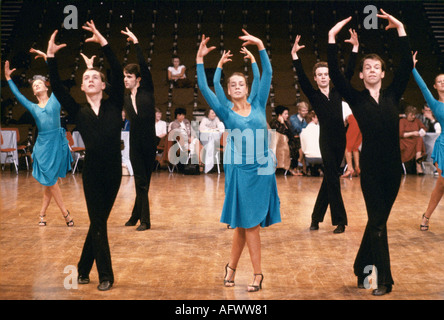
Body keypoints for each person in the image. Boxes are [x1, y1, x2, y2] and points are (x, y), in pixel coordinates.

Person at [327, 12, 413, 296]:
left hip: (394, 172)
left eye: (377, 66)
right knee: (377, 223)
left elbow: (404, 66)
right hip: (371, 171)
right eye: (368, 67)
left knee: (378, 222)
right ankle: (384, 280)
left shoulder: (392, 94)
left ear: (383, 73)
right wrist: (331, 39)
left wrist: (400, 27)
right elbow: (338, 77)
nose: (373, 69)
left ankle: (360, 266)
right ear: (362, 74)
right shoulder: (356, 98)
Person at [197, 30, 281, 292]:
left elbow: (266, 74)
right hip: (241, 172)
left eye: (240, 84)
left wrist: (261, 46)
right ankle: (257, 274)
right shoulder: (224, 111)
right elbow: (203, 87)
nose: (236, 87)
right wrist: (200, 61)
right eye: (231, 84)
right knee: (251, 225)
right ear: (228, 89)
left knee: (245, 226)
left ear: (247, 88)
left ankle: (231, 268)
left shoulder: (258, 103)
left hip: (262, 170)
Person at [47, 21, 124, 291]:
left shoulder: (115, 103)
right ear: (81, 87)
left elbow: (116, 68)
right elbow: (56, 86)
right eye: (86, 78)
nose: (90, 80)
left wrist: (104, 41)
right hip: (91, 172)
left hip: (114, 171)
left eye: (95, 77)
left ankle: (82, 268)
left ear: (103, 85)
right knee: (99, 222)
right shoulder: (78, 111)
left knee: (98, 221)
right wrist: (50, 57)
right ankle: (106, 275)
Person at [291, 30, 358, 233]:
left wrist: (355, 48)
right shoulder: (313, 95)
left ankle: (315, 218)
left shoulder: (338, 91)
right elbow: (301, 77)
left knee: (329, 178)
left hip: (341, 141)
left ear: (330, 76)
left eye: (326, 74)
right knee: (333, 180)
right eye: (319, 75)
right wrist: (295, 56)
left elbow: (349, 72)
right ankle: (340, 220)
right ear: (316, 77)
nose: (323, 77)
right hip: (326, 141)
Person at [4, 56, 73, 227]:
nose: (36, 85)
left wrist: (47, 58)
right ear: (34, 92)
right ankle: (65, 213)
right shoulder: (33, 107)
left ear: (46, 86)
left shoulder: (56, 99)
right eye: (34, 85)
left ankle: (42, 214)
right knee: (51, 181)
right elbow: (18, 95)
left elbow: (56, 78)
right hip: (42, 146)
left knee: (50, 182)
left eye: (39, 83)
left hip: (57, 143)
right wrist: (7, 78)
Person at [120, 27, 157, 231]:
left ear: (138, 79)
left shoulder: (147, 90)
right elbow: (108, 87)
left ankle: (137, 216)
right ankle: (143, 220)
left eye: (129, 76)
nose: (126, 79)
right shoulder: (125, 97)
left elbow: (143, 65)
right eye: (124, 76)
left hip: (149, 142)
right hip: (134, 143)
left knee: (144, 182)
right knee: (140, 181)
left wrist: (136, 42)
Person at [412, 52, 444, 231]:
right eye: (440, 81)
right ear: (435, 86)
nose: (443, 82)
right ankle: (426, 216)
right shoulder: (434, 103)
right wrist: (413, 69)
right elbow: (423, 87)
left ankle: (426, 216)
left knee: (441, 185)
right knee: (443, 181)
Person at [269, 105, 300, 175]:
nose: (287, 115)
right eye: (285, 114)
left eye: (287, 114)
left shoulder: (286, 123)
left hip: (289, 143)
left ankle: (294, 167)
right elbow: (284, 132)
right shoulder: (275, 123)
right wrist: (282, 123)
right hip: (280, 145)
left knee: (297, 145)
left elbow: (290, 133)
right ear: (280, 115)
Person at [399, 105, 427, 175]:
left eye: (414, 115)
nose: (413, 117)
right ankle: (418, 164)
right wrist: (413, 133)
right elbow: (401, 134)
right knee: (419, 141)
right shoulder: (402, 121)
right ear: (407, 114)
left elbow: (424, 128)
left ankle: (418, 163)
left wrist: (422, 131)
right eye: (411, 115)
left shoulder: (417, 121)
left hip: (416, 141)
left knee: (419, 139)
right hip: (406, 142)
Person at [199, 108, 225, 173]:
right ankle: (206, 165)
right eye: (212, 113)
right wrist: (212, 129)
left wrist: (214, 129)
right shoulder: (204, 120)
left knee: (211, 145)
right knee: (207, 146)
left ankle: (209, 166)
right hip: (204, 139)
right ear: (208, 114)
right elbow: (201, 128)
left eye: (215, 113)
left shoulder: (216, 119)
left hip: (215, 141)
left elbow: (221, 128)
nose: (214, 114)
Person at [300, 110, 323, 176]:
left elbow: (303, 149)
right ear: (313, 118)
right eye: (316, 117)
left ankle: (306, 169)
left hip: (309, 158)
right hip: (322, 158)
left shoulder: (303, 131)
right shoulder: (321, 129)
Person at [289, 101, 309, 174]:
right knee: (300, 146)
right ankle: (300, 164)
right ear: (299, 111)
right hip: (294, 140)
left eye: (306, 110)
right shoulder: (293, 118)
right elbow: (298, 129)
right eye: (303, 111)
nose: (305, 112)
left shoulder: (307, 118)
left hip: (304, 139)